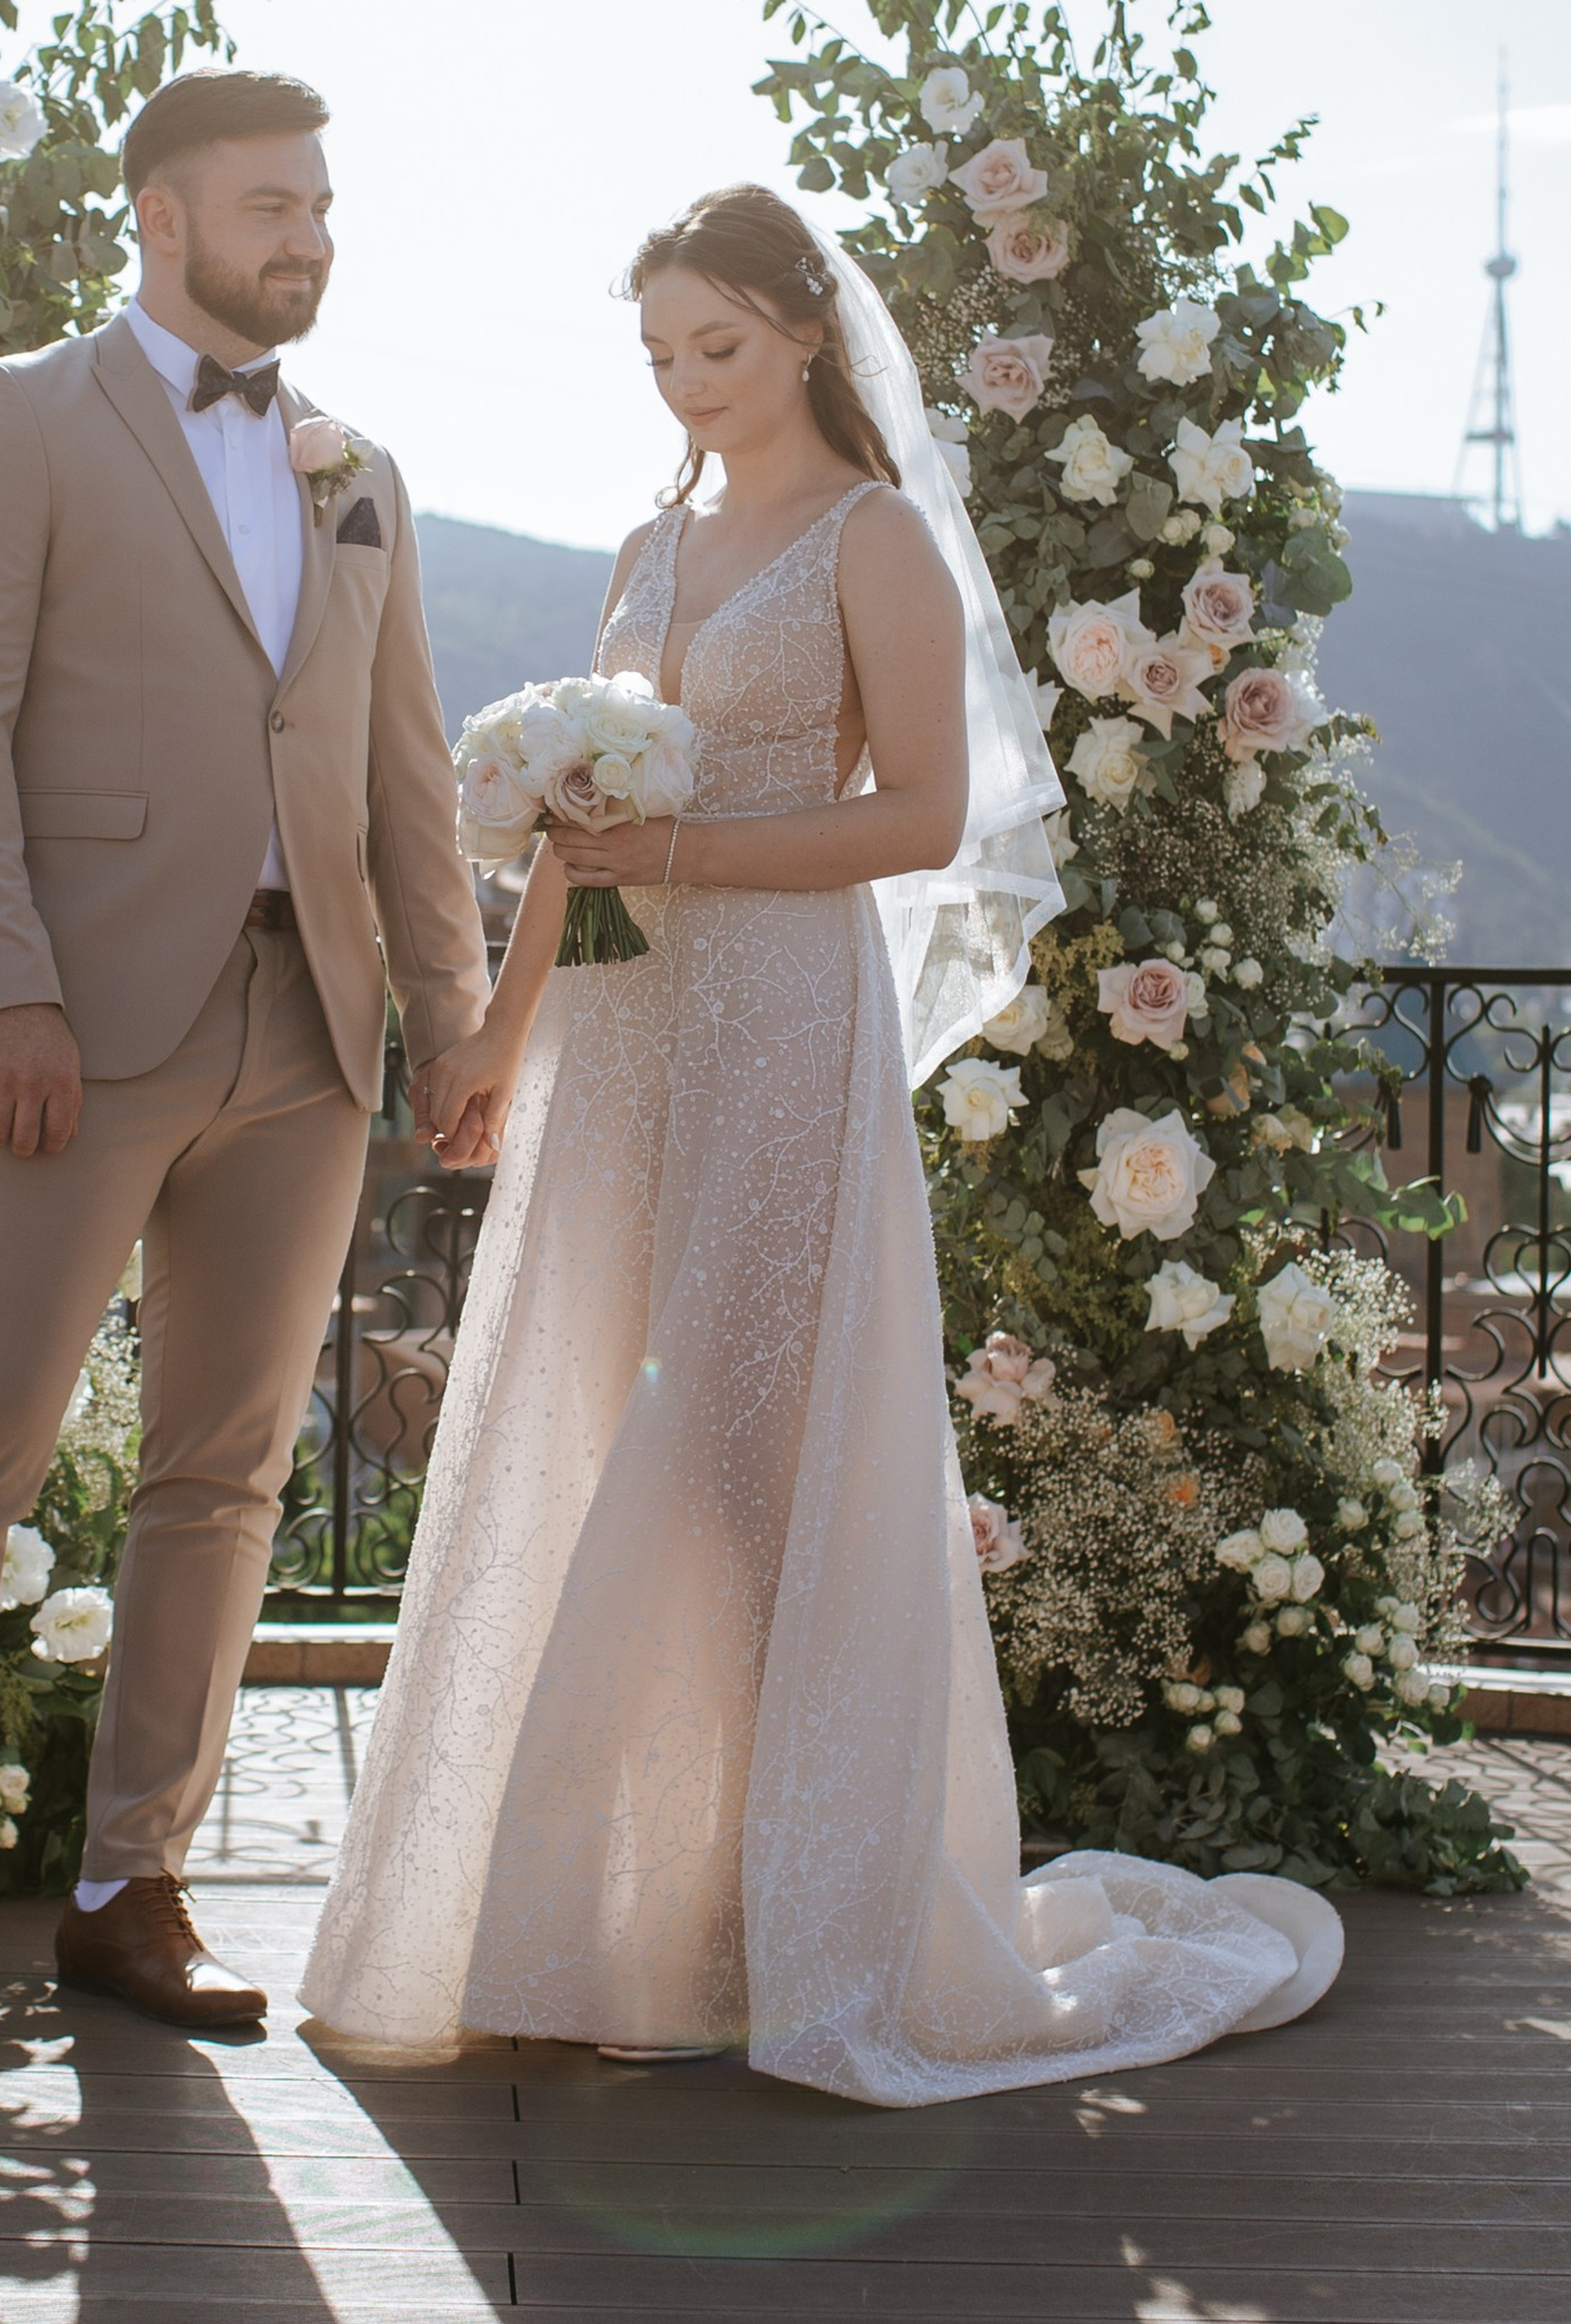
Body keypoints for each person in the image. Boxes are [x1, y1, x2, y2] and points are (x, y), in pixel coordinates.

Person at [302, 183, 1341, 2101]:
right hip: (619, 1038)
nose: (689, 387)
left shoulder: (871, 542)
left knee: (755, 1448)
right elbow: (566, 828)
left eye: (716, 346)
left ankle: (795, 1919)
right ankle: (613, 1917)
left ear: (802, 333)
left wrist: (681, 851)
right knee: (615, 1432)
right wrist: (493, 1034)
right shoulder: (641, 546)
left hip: (785, 1019)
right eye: (657, 358)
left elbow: (924, 817)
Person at [0, 69, 489, 2057]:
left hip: (306, 1036)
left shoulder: (357, 464)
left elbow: (404, 768)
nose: (311, 238)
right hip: (69, 1032)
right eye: (273, 205)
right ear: (159, 218)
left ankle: (134, 1889)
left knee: (222, 1481)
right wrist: (0, 985)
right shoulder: (15, 417)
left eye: (324, 206)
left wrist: (444, 1019)